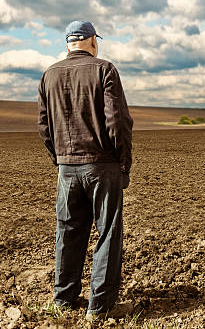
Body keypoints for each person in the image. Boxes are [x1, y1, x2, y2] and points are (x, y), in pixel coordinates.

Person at [37, 20, 134, 322]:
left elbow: (43, 126)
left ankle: (63, 299)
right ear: (92, 41)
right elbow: (117, 121)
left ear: (68, 44)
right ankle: (100, 308)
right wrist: (123, 161)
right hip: (102, 165)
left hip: (67, 167)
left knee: (67, 231)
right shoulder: (105, 70)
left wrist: (60, 158)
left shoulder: (48, 75)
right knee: (107, 233)